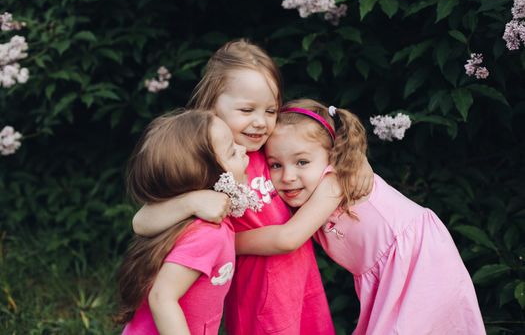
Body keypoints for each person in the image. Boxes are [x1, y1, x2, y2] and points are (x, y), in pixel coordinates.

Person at [132, 39, 374, 334]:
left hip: (301, 283)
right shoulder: (213, 165)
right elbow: (142, 221)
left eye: (270, 111)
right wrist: (192, 202)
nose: (260, 122)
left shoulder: (274, 151)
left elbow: (321, 144)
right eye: (247, 110)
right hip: (258, 298)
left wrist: (357, 161)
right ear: (212, 106)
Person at [236, 99, 486, 335]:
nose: (287, 176)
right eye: (275, 165)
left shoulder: (334, 181)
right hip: (394, 268)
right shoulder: (304, 191)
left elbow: (287, 238)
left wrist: (231, 242)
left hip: (418, 261)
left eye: (301, 162)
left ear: (333, 157)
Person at [115, 110, 249, 334]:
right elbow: (161, 297)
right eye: (233, 152)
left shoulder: (185, 219)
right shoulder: (207, 234)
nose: (244, 149)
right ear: (209, 177)